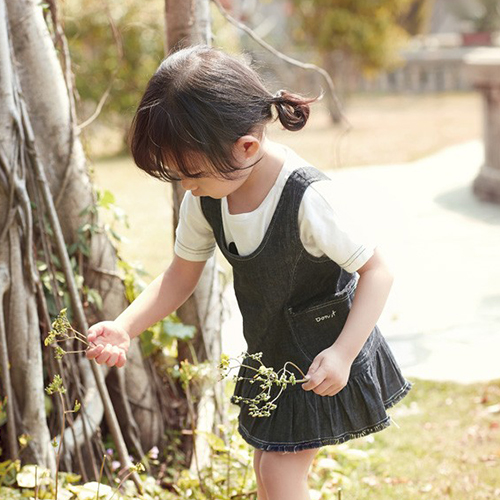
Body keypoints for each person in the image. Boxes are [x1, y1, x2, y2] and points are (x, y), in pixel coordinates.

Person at [86, 45, 413, 500]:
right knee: (267, 468)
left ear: (247, 147)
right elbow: (181, 275)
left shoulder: (308, 198)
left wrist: (342, 354)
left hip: (326, 356)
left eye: (192, 172)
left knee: (279, 474)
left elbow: (378, 271)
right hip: (275, 356)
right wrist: (124, 327)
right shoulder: (207, 195)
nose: (185, 185)